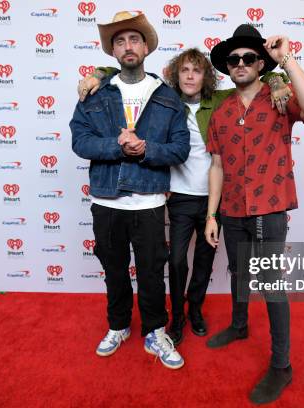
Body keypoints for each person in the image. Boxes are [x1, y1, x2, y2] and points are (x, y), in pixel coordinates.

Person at [78, 49, 292, 346]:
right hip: (179, 197)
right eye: (185, 70)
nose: (191, 75)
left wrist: (279, 78)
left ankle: (196, 312)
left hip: (214, 199)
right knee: (176, 261)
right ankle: (176, 316)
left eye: (197, 70)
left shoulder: (220, 101)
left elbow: (253, 78)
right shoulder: (164, 101)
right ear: (176, 76)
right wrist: (99, 73)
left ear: (206, 77)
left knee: (204, 262)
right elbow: (129, 73)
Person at [204, 24, 304, 403]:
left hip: (270, 208)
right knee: (240, 272)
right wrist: (211, 215)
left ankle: (281, 366)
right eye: (233, 59)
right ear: (227, 66)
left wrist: (285, 60)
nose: (240, 63)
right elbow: (217, 167)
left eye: (248, 57)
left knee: (272, 286)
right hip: (232, 210)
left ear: (260, 63)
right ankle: (239, 326)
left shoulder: (281, 96)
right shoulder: (221, 111)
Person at [69, 11, 190, 370]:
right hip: (105, 201)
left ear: (146, 46)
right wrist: (116, 146)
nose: (127, 46)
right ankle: (119, 325)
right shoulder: (95, 93)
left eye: (133, 39)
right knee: (114, 268)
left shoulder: (168, 97)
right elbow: (80, 140)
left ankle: (155, 330)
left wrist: (147, 149)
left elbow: (179, 149)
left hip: (150, 202)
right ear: (112, 51)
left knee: (152, 271)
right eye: (119, 41)